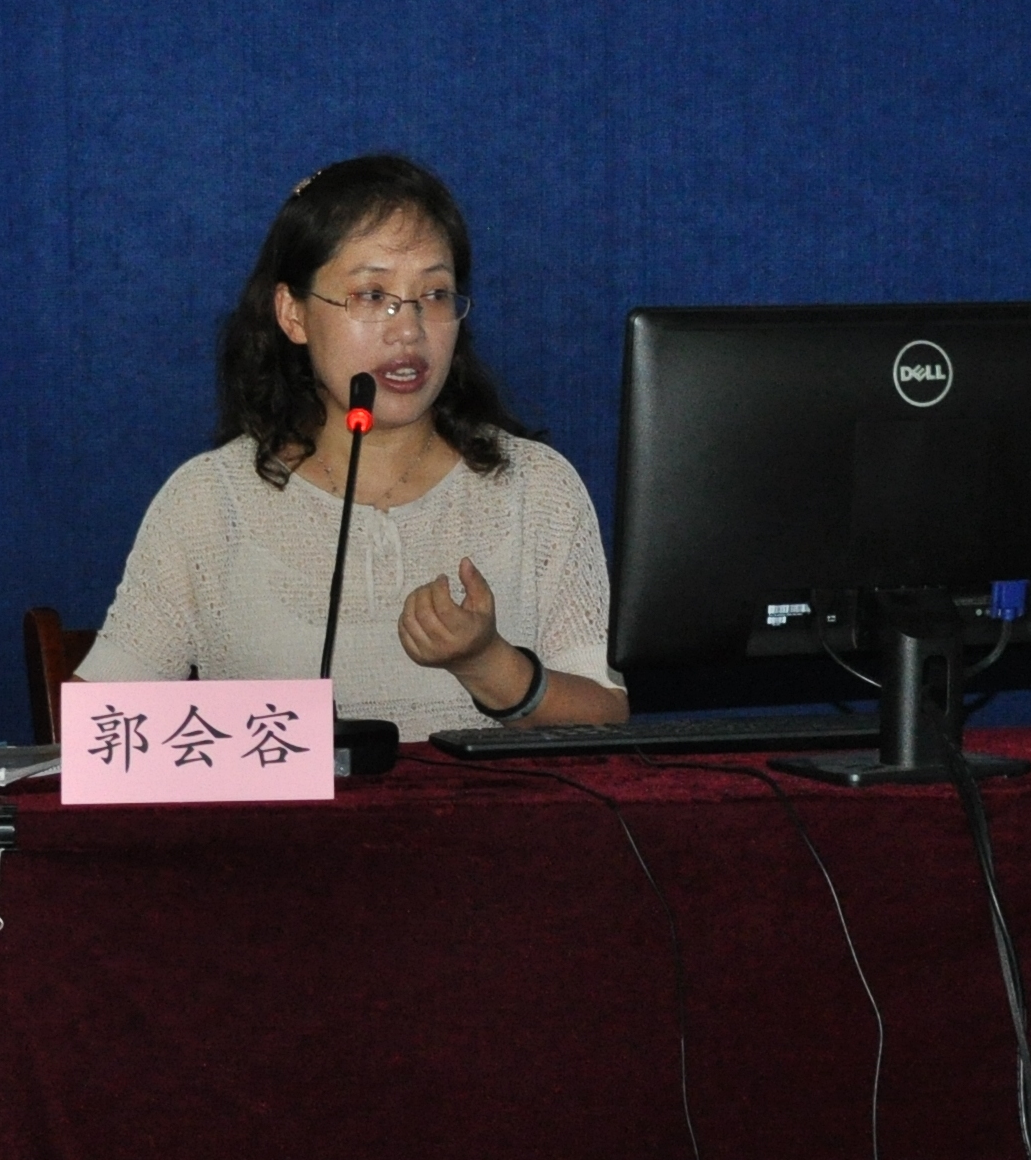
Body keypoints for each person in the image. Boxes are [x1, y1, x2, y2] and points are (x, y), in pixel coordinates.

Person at [75, 156, 628, 739]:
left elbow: (610, 719)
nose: (409, 329)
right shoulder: (212, 502)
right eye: (371, 294)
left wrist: (487, 664)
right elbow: (100, 725)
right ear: (293, 314)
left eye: (435, 294)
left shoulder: (536, 489)